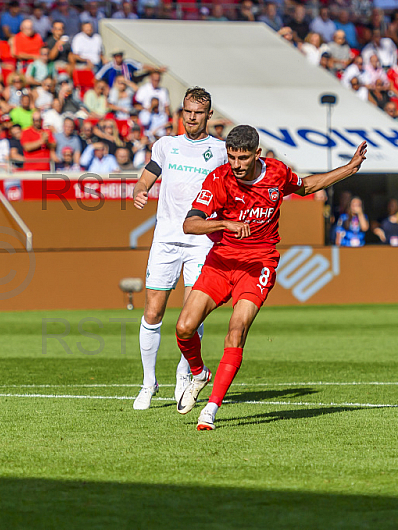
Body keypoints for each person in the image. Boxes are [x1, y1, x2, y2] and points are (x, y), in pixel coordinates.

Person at [174, 127, 367, 430]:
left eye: (242, 157)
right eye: (232, 156)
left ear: (257, 154)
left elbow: (306, 186)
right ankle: (199, 373)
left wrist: (349, 169)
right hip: (221, 261)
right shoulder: (218, 179)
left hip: (258, 263)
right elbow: (190, 223)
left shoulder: (276, 174)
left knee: (236, 329)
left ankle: (211, 408)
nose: (236, 164)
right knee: (184, 327)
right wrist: (224, 223)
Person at [130, 87, 228, 411]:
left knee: (192, 313)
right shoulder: (166, 146)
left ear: (209, 115)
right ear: (181, 112)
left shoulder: (220, 150)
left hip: (201, 241)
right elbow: (146, 178)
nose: (191, 117)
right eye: (187, 111)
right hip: (166, 239)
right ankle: (148, 384)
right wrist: (140, 190)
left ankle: (185, 373)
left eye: (198, 113)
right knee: (153, 311)